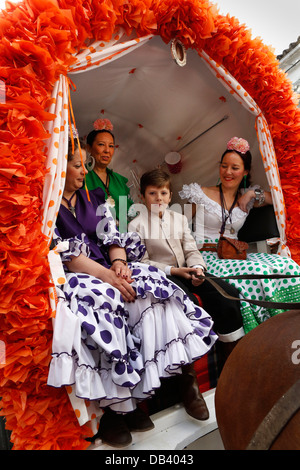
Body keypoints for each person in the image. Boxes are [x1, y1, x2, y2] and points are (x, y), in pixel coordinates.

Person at [47, 136, 217, 448]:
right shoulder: (48, 208)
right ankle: (116, 411)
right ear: (57, 167)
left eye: (85, 165)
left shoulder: (94, 197)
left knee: (154, 285)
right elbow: (69, 256)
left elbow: (112, 237)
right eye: (77, 165)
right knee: (106, 303)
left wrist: (121, 263)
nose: (84, 171)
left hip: (110, 267)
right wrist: (108, 276)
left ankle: (182, 382)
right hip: (81, 274)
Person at [179, 136, 300, 334]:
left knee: (286, 265)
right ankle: (265, 331)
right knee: (256, 271)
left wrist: (252, 194)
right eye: (224, 166)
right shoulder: (200, 193)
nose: (228, 172)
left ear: (245, 171)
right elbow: (179, 225)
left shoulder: (248, 196)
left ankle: (291, 325)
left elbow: (279, 199)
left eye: (235, 168)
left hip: (232, 254)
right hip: (205, 255)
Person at [128, 169, 245, 358]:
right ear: (142, 197)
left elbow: (191, 250)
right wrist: (173, 270)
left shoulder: (179, 219)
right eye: (152, 193)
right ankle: (198, 353)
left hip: (189, 270)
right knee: (187, 302)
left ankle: (232, 352)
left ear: (170, 196)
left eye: (163, 193)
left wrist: (198, 269)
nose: (158, 198)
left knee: (227, 294)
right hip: (163, 276)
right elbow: (143, 261)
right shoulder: (136, 225)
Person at [85, 118, 133, 224]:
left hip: (123, 235)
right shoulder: (81, 176)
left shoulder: (119, 181)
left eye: (111, 146)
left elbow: (130, 214)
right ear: (89, 148)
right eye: (101, 144)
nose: (107, 150)